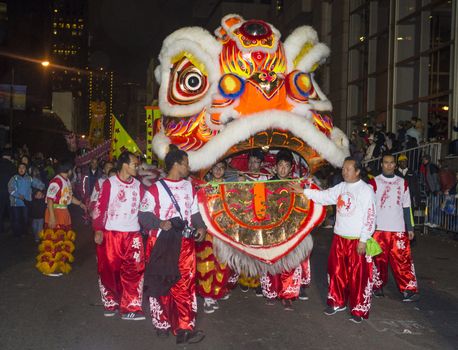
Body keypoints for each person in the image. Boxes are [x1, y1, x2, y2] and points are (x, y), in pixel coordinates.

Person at [289, 157, 376, 324]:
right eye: (343, 168)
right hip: (339, 237)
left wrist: (364, 240)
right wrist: (304, 192)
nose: (344, 172)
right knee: (336, 272)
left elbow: (370, 217)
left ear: (357, 171)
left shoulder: (366, 190)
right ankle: (336, 301)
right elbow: (325, 196)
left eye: (348, 169)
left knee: (358, 276)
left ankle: (358, 308)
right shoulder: (342, 187)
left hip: (357, 240)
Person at [140, 146, 206, 345]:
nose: (188, 167)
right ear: (176, 164)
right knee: (161, 282)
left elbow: (194, 212)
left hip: (185, 244)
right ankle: (162, 323)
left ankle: (184, 327)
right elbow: (143, 215)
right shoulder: (155, 189)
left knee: (185, 284)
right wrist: (159, 223)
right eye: (186, 163)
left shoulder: (189, 187)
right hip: (162, 243)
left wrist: (201, 227)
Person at [92, 152, 147, 320]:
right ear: (124, 165)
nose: (137, 168)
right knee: (109, 270)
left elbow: (146, 207)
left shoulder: (139, 186)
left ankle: (131, 307)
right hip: (111, 234)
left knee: (135, 271)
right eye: (134, 165)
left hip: (133, 235)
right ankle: (110, 302)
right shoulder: (109, 184)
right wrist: (98, 229)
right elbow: (100, 207)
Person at [260, 150, 312, 310]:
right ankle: (271, 291)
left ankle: (288, 294)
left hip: (290, 230)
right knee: (271, 261)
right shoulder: (266, 184)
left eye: (286, 166)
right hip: (272, 228)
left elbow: (304, 206)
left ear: (291, 169)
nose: (283, 169)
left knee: (289, 262)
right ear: (275, 167)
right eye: (280, 166)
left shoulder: (295, 186)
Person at [369, 154, 419, 302]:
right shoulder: (373, 182)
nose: (389, 165)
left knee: (403, 260)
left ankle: (408, 290)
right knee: (378, 261)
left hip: (398, 229)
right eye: (386, 163)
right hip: (379, 230)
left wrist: (410, 228)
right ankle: (376, 287)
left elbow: (406, 207)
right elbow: (368, 206)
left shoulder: (402, 183)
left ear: (395, 165)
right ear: (381, 164)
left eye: (392, 163)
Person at [196, 160, 236, 314]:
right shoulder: (203, 186)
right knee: (206, 264)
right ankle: (207, 296)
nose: (218, 171)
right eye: (215, 168)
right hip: (207, 232)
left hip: (223, 232)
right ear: (210, 169)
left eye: (221, 168)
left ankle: (217, 292)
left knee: (222, 265)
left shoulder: (230, 187)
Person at [37, 160, 86, 276]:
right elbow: (49, 199)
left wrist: (80, 204)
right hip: (55, 211)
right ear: (68, 170)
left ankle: (58, 265)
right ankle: (49, 267)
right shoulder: (56, 181)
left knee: (62, 240)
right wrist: (53, 217)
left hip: (64, 211)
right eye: (72, 169)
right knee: (54, 240)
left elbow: (69, 197)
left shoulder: (67, 181)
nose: (73, 172)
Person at [8, 163, 45, 237]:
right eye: (20, 168)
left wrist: (41, 191)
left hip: (26, 203)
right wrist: (18, 196)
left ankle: (24, 232)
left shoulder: (30, 178)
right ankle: (17, 233)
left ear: (26, 169)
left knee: (25, 218)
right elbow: (10, 189)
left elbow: (41, 184)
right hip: (16, 203)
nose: (21, 169)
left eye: (23, 168)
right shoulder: (14, 178)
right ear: (17, 169)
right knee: (16, 219)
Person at [0, 150, 16, 234]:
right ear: (9, 156)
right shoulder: (12, 166)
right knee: (12, 212)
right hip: (10, 192)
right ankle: (14, 229)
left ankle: (1, 229)